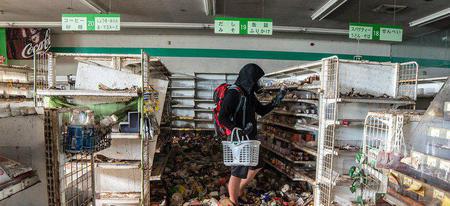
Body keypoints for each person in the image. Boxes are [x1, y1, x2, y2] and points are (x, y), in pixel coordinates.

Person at [219, 63, 286, 205]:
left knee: (258, 164)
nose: (258, 83)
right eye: (256, 79)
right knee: (237, 171)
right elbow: (222, 117)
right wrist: (236, 129)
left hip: (250, 137)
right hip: (238, 138)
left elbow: (261, 111)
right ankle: (233, 201)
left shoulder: (249, 94)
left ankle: (238, 190)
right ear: (249, 79)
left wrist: (277, 99)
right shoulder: (234, 93)